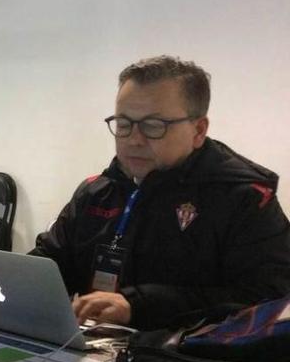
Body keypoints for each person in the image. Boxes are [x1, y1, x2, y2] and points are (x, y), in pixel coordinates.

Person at [31, 55, 290, 330]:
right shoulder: (97, 191)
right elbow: (49, 263)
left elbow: (269, 300)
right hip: (83, 354)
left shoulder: (244, 200)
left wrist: (140, 306)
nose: (134, 139)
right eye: (123, 124)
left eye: (153, 126)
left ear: (198, 130)